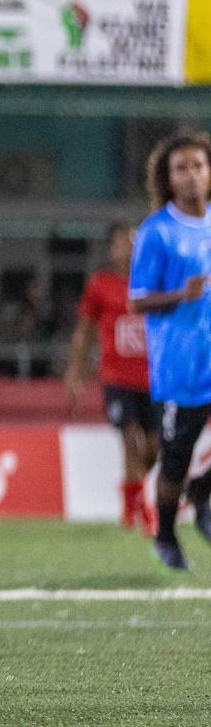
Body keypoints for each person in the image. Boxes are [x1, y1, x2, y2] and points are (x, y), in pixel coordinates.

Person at [128, 133, 211, 571]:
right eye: (181, 168)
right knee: (175, 459)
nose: (192, 175)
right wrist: (182, 293)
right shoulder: (156, 232)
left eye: (198, 165)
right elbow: (137, 300)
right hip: (181, 367)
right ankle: (164, 535)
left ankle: (203, 492)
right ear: (168, 177)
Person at [65, 222, 157, 533]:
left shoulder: (155, 283)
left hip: (153, 380)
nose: (128, 248)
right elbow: (84, 332)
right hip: (117, 378)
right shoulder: (100, 285)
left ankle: (133, 490)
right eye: (121, 243)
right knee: (129, 440)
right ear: (111, 249)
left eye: (133, 242)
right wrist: (74, 374)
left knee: (153, 447)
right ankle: (142, 508)